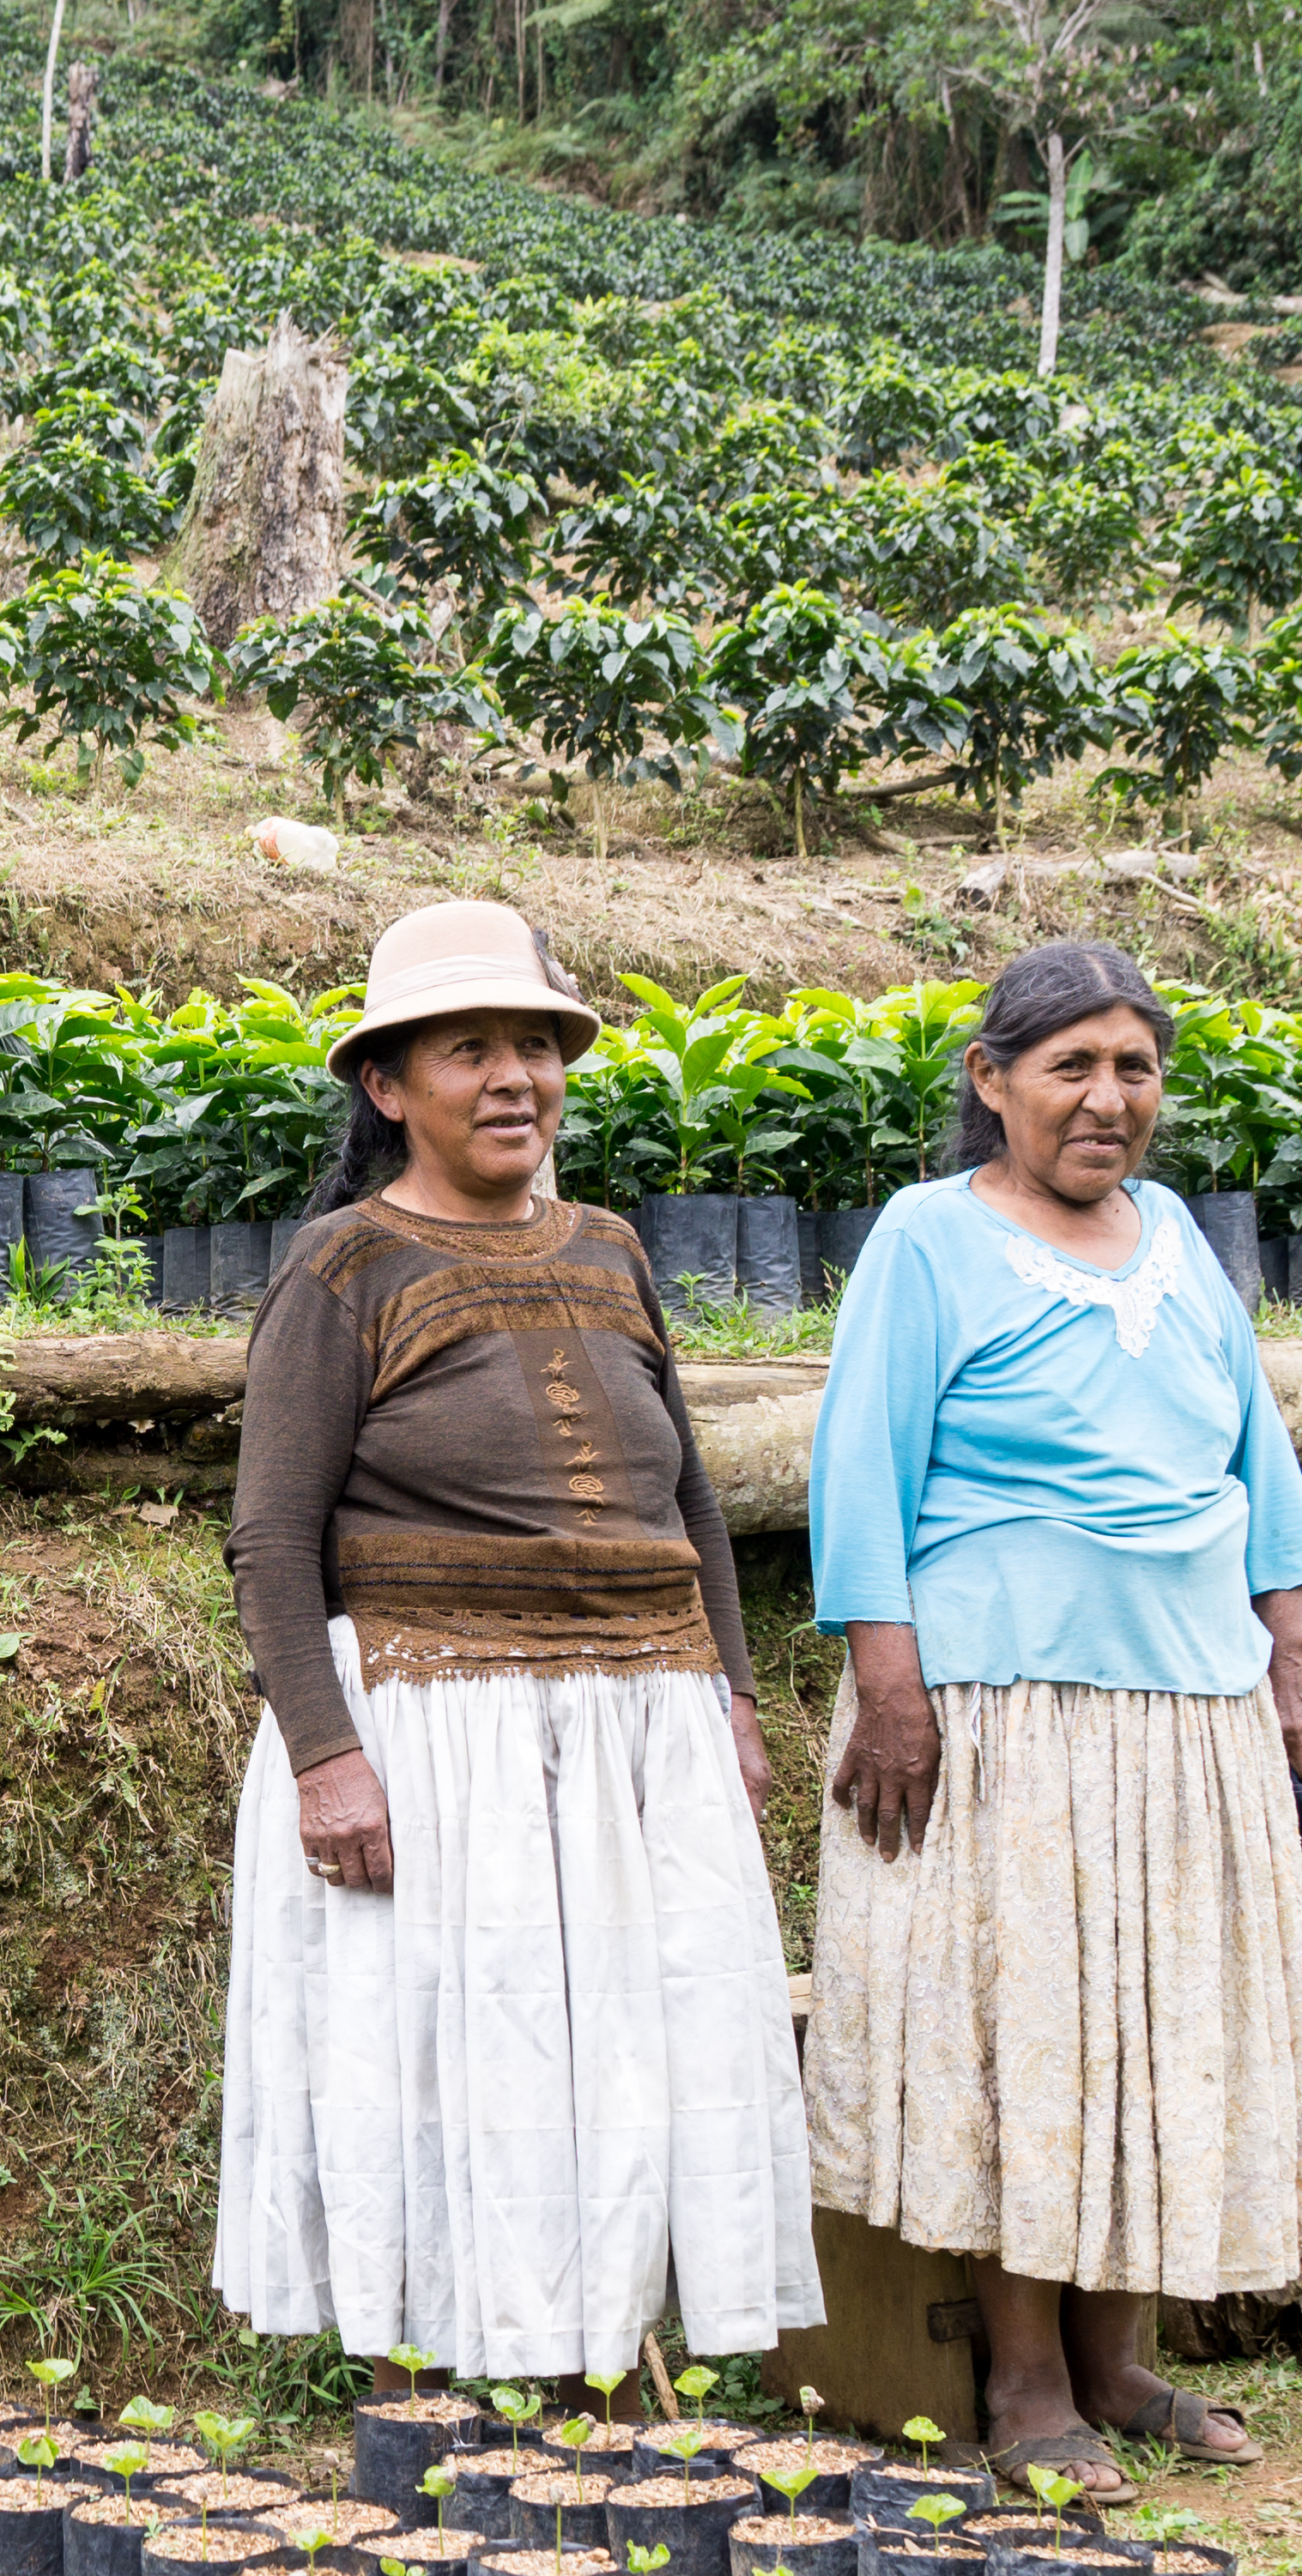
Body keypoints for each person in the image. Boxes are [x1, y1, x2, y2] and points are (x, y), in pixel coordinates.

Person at [211, 899, 822, 2381]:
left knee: (636, 2052)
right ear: (388, 1084)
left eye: (537, 1048)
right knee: (453, 2059)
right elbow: (271, 1541)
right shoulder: (345, 1269)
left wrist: (733, 1697)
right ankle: (445, 2397)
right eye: (470, 1049)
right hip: (439, 1730)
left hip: (640, 1729)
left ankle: (602, 2368)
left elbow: (687, 1496)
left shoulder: (612, 1248)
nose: (513, 1081)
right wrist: (328, 1759)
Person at [801, 937, 1302, 2498]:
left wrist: (1289, 1644)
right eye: (1072, 1067)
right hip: (1001, 1701)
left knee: (1165, 2024)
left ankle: (1123, 2360)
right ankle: (1027, 2385)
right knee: (1030, 2034)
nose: (1110, 1100)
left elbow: (1259, 1450)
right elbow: (860, 1474)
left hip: (1189, 1702)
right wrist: (888, 1691)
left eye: (1136, 1067)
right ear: (993, 1083)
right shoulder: (927, 1239)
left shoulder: (1174, 1234)